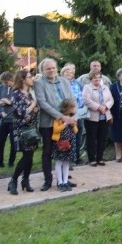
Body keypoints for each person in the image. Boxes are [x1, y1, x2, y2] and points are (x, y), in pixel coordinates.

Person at [33, 58, 77, 191]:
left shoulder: (64, 81)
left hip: (66, 123)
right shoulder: (39, 83)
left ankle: (63, 181)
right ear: (43, 70)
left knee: (64, 151)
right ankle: (47, 181)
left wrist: (73, 115)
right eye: (48, 69)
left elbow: (72, 99)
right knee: (47, 152)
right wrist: (61, 116)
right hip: (49, 123)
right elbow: (43, 103)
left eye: (53, 68)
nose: (51, 70)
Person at [7, 69, 39, 194]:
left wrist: (33, 108)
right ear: (22, 79)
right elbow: (21, 113)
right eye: (29, 77)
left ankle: (25, 180)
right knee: (26, 156)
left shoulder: (29, 93)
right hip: (22, 129)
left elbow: (34, 110)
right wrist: (33, 106)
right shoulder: (16, 94)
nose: (32, 79)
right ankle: (13, 180)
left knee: (30, 156)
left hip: (31, 128)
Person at [82, 71, 114, 166]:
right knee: (91, 139)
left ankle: (100, 157)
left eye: (99, 77)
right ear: (91, 79)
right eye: (95, 78)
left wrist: (105, 106)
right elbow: (86, 100)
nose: (97, 79)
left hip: (104, 117)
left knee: (102, 138)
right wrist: (98, 107)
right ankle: (92, 158)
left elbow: (111, 99)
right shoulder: (87, 88)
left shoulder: (105, 88)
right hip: (92, 117)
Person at [51, 99, 79, 192]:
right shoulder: (59, 117)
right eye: (72, 107)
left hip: (70, 142)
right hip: (60, 143)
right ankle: (60, 182)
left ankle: (65, 181)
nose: (74, 109)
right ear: (68, 108)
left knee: (66, 162)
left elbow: (76, 131)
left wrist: (74, 124)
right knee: (59, 162)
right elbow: (56, 130)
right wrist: (66, 123)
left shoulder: (72, 117)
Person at [62, 63, 87, 166]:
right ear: (62, 73)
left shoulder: (77, 83)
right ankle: (67, 160)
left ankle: (77, 157)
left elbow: (82, 96)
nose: (69, 73)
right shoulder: (60, 83)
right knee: (67, 136)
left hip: (78, 114)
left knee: (78, 136)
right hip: (66, 114)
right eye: (67, 71)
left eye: (71, 72)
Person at [0, 71, 17, 168]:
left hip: (13, 119)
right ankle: (0, 161)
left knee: (13, 142)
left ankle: (11, 162)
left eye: (6, 82)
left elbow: (17, 102)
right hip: (3, 119)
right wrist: (0, 102)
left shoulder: (16, 88)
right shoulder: (0, 88)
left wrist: (9, 102)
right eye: (4, 82)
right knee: (0, 141)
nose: (5, 84)